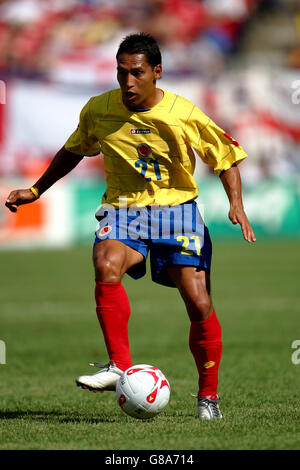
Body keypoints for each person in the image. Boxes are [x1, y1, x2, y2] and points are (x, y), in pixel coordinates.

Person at [5, 32, 256, 420]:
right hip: (123, 209)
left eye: (136, 73)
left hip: (177, 210)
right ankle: (119, 365)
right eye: (121, 73)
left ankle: (208, 396)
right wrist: (37, 189)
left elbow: (225, 156)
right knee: (106, 263)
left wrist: (236, 204)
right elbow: (74, 149)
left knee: (199, 301)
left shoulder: (183, 113)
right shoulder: (99, 109)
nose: (128, 82)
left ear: (156, 72)